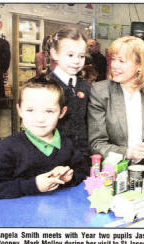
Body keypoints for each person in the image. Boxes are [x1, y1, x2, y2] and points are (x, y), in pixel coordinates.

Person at [88, 36, 144, 178]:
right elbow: (96, 143)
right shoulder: (100, 91)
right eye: (113, 59)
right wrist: (127, 152)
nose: (114, 66)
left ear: (140, 65)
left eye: (121, 61)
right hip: (112, 174)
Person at [0, 77, 89, 199]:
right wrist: (34, 185)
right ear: (19, 110)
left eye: (49, 111)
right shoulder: (7, 148)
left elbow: (83, 171)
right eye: (30, 110)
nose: (40, 119)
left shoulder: (68, 144)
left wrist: (69, 176)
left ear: (62, 112)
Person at [48, 27, 91, 162]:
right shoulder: (46, 86)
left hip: (83, 155)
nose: (77, 61)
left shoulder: (86, 86)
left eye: (81, 56)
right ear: (55, 53)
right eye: (70, 55)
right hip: (55, 156)